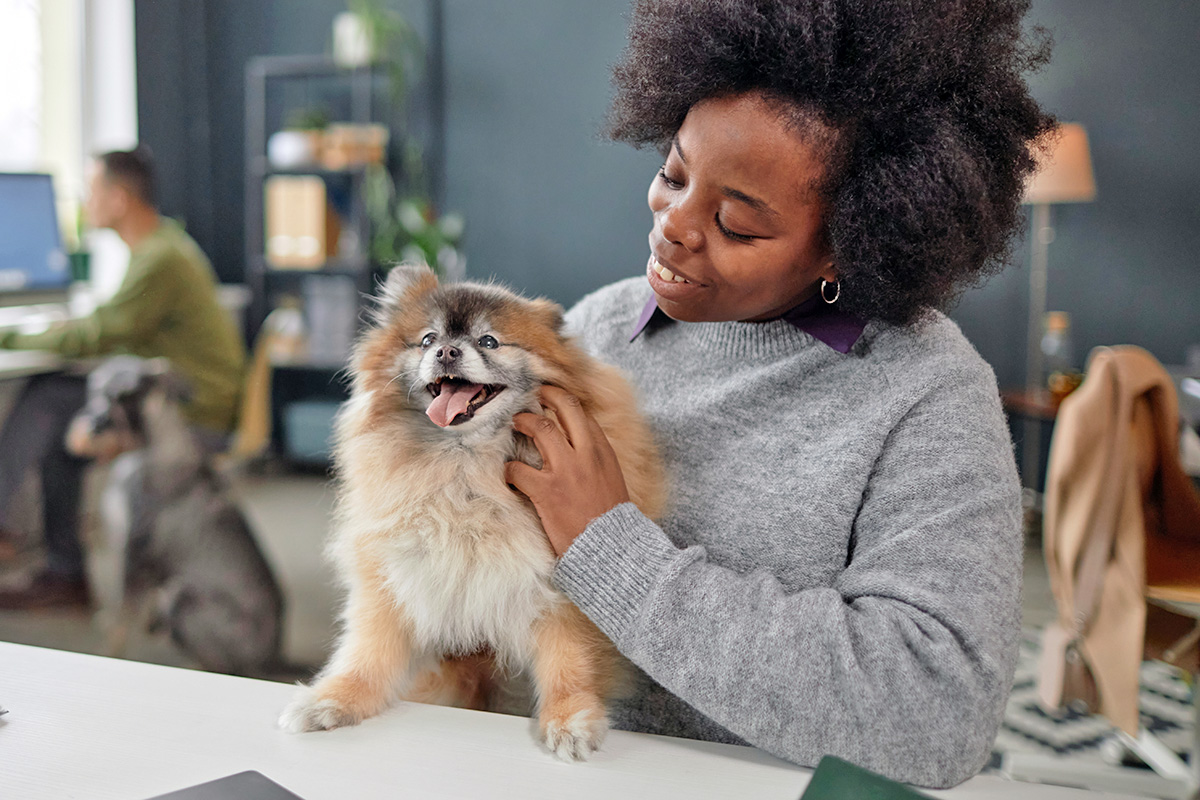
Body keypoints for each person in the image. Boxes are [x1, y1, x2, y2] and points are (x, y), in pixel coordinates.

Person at [503, 0, 1054, 789]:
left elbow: (937, 715)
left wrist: (611, 550)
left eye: (736, 224)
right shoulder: (601, 327)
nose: (675, 227)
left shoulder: (927, 396)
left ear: (847, 244)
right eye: (672, 173)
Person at [0, 146, 247, 610]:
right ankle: (64, 572)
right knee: (59, 420)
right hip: (178, 395)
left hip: (191, 410)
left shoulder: (160, 259)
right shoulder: (162, 246)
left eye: (90, 192)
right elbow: (113, 328)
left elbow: (100, 333)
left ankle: (43, 554)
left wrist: (8, 335)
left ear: (118, 198)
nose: (83, 203)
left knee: (49, 396)